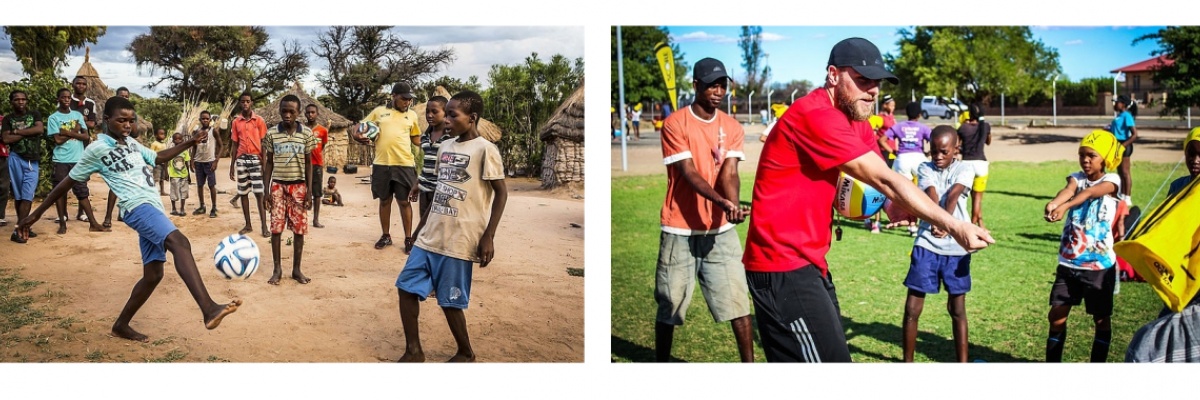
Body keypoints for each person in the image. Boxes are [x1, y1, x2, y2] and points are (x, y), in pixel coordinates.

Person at [742, 37, 993, 363]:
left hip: (809, 261)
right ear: (833, 75)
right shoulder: (815, 115)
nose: (872, 90)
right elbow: (885, 178)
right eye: (862, 80)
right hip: (780, 266)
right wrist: (953, 224)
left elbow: (873, 181)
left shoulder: (856, 119)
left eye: (876, 82)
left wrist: (892, 207)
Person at [16, 96, 241, 341]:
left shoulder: (132, 144)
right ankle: (209, 309)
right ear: (106, 120)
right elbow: (66, 183)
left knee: (154, 275)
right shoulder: (97, 148)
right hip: (136, 207)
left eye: (130, 120)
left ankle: (120, 325)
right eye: (121, 120)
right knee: (180, 243)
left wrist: (190, 142)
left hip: (153, 207)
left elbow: (159, 158)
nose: (127, 124)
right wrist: (36, 214)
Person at [654, 57, 755, 363]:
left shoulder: (732, 126)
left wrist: (733, 205)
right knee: (669, 304)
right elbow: (689, 172)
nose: (718, 90)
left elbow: (729, 174)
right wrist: (722, 202)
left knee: (738, 301)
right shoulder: (675, 123)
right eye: (712, 84)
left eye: (722, 84)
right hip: (679, 227)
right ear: (695, 85)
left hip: (719, 230)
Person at [394, 90, 507, 362]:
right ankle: (413, 350)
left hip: (461, 237)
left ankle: (465, 352)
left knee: (449, 301)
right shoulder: (445, 147)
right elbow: (439, 192)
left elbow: (501, 193)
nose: (447, 120)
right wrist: (420, 229)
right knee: (405, 287)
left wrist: (489, 236)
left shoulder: (485, 150)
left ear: (472, 118)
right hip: (431, 233)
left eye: (453, 115)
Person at [1042, 130, 1125, 362]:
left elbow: (1089, 193)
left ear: (1106, 159)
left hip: (1098, 266)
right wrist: (1053, 203)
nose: (1085, 160)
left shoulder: (1112, 181)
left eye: (1091, 155)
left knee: (1100, 319)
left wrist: (1065, 207)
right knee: (1056, 316)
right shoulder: (1076, 177)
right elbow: (1069, 189)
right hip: (1068, 263)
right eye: (1082, 155)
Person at [901, 125, 976, 363]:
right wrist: (936, 220)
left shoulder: (966, 168)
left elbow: (954, 193)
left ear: (956, 149)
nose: (938, 156)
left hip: (956, 248)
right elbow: (931, 194)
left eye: (944, 151)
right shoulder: (924, 167)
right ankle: (907, 362)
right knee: (912, 309)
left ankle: (962, 363)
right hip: (926, 245)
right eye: (934, 151)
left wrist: (945, 223)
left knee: (957, 310)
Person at [352, 82, 422, 252]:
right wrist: (357, 135)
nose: (408, 102)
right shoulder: (379, 112)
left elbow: (416, 138)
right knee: (384, 201)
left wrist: (433, 142)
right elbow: (359, 128)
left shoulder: (412, 116)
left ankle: (408, 239)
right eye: (404, 99)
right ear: (394, 96)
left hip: (404, 164)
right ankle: (386, 236)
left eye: (410, 99)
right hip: (382, 164)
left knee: (404, 202)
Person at [261, 95, 317, 285]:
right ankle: (277, 269)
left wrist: (309, 190)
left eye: (291, 111)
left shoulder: (307, 134)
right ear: (279, 111)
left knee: (299, 230)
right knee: (276, 228)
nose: (287, 114)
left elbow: (309, 163)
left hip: (299, 187)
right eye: (284, 111)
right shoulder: (271, 134)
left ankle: (296, 269)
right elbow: (268, 163)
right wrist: (266, 190)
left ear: (298, 113)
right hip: (277, 186)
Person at [47, 88, 104, 234]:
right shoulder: (53, 118)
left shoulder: (77, 115)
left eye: (68, 97)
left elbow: (86, 137)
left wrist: (67, 132)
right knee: (60, 191)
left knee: (82, 191)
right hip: (60, 159)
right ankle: (62, 222)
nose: (66, 100)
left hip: (78, 159)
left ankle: (93, 222)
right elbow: (58, 140)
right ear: (58, 99)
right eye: (63, 97)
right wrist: (74, 131)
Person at [883, 101, 932, 234]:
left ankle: (908, 221)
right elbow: (935, 139)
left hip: (902, 160)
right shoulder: (923, 127)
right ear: (919, 114)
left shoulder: (899, 126)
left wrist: (892, 152)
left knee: (905, 193)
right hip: (918, 159)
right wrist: (929, 153)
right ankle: (918, 222)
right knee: (921, 192)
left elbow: (881, 140)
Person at [2, 90, 45, 243]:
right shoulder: (8, 118)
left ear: (27, 101)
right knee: (20, 196)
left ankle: (19, 228)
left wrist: (17, 132)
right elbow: (6, 138)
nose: (20, 102)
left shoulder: (34, 115)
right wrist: (28, 132)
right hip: (16, 159)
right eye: (17, 100)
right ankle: (24, 226)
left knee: (27, 195)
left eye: (23, 99)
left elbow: (39, 129)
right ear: (11, 102)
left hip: (32, 160)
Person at [228, 91, 269, 237]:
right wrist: (232, 165)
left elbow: (264, 143)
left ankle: (264, 226)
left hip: (255, 159)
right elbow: (234, 144)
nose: (245, 104)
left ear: (251, 103)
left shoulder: (259, 121)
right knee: (243, 192)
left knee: (259, 193)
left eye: (248, 101)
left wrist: (264, 163)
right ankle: (248, 224)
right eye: (243, 101)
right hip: (241, 159)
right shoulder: (236, 122)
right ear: (240, 103)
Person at [102, 87, 138, 226]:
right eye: (121, 96)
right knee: (115, 184)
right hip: (114, 150)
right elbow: (107, 132)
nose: (124, 98)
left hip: (127, 150)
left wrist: (131, 121)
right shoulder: (110, 113)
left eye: (126, 96)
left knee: (126, 183)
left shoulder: (131, 113)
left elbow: (135, 133)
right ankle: (108, 217)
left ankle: (121, 213)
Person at [416, 96, 451, 233]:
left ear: (445, 113)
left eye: (434, 112)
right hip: (425, 190)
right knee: (425, 227)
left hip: (441, 191)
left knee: (439, 228)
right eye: (427, 111)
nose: (429, 115)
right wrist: (417, 184)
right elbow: (426, 163)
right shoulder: (425, 136)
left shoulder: (450, 138)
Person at [958, 103, 992, 228]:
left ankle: (976, 223)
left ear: (970, 114)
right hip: (981, 165)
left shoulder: (963, 128)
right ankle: (974, 224)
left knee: (964, 198)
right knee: (977, 199)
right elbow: (988, 142)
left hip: (966, 164)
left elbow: (957, 145)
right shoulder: (986, 126)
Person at [191, 111, 221, 218]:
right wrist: (192, 160)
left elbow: (221, 146)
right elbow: (194, 147)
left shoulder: (213, 131)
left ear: (210, 120)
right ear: (200, 120)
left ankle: (213, 207)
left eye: (207, 119)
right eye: (203, 119)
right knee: (200, 185)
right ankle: (202, 206)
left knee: (211, 185)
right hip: (199, 162)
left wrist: (216, 160)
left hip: (210, 162)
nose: (205, 120)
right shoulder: (196, 132)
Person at [304, 104, 329, 228]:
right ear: (305, 114)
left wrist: (315, 155)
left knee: (317, 193)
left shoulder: (323, 130)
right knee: (302, 191)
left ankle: (315, 220)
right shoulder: (301, 129)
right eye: (308, 112)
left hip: (317, 165)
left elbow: (322, 146)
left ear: (317, 114)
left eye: (313, 112)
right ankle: (301, 219)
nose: (310, 115)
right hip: (303, 165)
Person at [1110, 95, 1138, 205]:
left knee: (1125, 172)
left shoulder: (1127, 116)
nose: (1114, 104)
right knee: (1120, 171)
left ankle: (1127, 197)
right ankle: (1121, 194)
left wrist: (1123, 146)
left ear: (1123, 104)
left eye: (1116, 102)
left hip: (1125, 145)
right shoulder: (1119, 116)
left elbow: (1135, 135)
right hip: (1117, 145)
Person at [167, 133, 191, 216]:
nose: (178, 141)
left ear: (182, 140)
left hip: (184, 175)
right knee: (173, 192)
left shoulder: (185, 151)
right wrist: (167, 173)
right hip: (174, 175)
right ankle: (173, 208)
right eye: (176, 139)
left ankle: (182, 209)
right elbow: (167, 161)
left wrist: (189, 176)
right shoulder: (171, 150)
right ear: (173, 140)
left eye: (179, 139)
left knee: (183, 192)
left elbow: (187, 163)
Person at [0, 113, 9, 227]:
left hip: (2, 156)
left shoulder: (4, 119)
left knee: (3, 187)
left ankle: (0, 215)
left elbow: (6, 137)